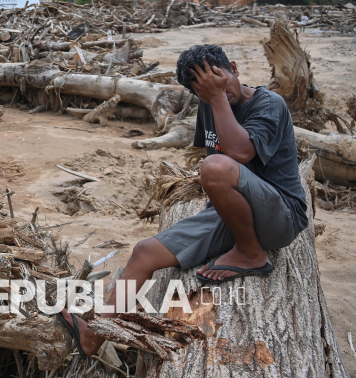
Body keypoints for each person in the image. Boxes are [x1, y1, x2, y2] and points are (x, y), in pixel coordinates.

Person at [58, 44, 308, 357]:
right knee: (144, 251)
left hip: (281, 216)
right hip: (233, 213)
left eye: (219, 81)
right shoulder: (210, 104)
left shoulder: (268, 103)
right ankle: (94, 336)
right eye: (203, 92)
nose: (216, 93)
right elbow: (216, 157)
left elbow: (240, 154)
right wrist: (212, 169)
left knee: (215, 168)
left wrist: (217, 99)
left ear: (234, 68)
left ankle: (250, 254)